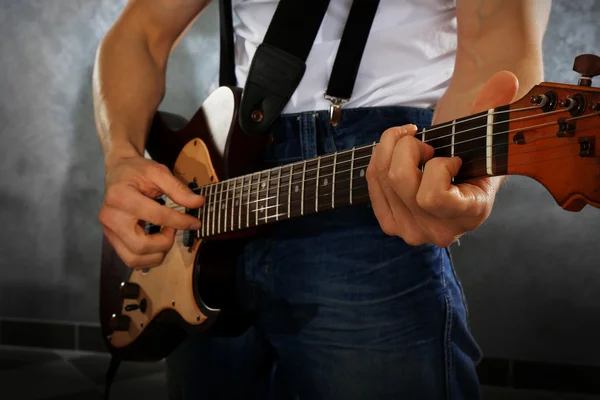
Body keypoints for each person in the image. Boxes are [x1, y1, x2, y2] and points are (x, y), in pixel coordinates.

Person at [93, 0, 551, 398]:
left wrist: (472, 172)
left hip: (371, 176)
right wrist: (121, 157)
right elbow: (140, 33)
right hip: (216, 183)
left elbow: (496, 44)